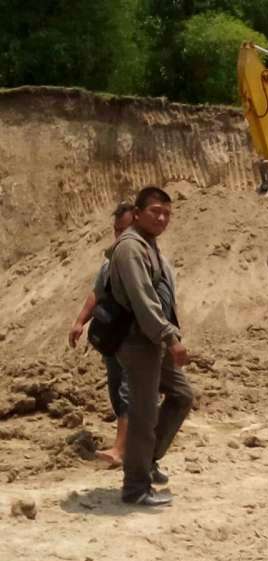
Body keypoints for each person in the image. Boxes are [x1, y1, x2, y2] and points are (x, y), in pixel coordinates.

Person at [110, 186, 193, 507]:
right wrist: (170, 338)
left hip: (152, 339)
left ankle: (146, 461)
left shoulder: (149, 245)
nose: (161, 218)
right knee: (143, 415)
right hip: (139, 340)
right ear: (138, 213)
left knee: (182, 395)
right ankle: (135, 488)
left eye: (167, 213)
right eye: (155, 211)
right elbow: (144, 302)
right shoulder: (131, 248)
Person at [69, 202, 135, 467]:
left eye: (125, 230)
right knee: (117, 389)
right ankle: (136, 444)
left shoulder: (144, 259)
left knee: (130, 390)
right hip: (113, 337)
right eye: (117, 231)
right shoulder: (111, 262)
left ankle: (122, 449)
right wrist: (79, 322)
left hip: (135, 337)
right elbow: (97, 292)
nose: (120, 236)